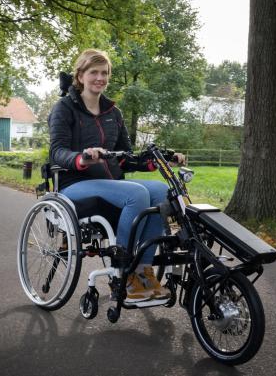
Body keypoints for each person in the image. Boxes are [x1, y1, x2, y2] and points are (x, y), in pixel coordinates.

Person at [48, 49, 184, 303]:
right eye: (94, 72)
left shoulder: (113, 113)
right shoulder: (64, 108)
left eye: (104, 73)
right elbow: (57, 151)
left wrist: (158, 161)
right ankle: (122, 273)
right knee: (136, 193)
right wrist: (82, 158)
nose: (100, 78)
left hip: (110, 182)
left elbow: (125, 157)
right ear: (80, 75)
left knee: (161, 192)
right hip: (73, 183)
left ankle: (141, 274)